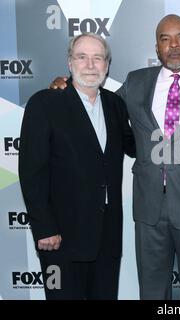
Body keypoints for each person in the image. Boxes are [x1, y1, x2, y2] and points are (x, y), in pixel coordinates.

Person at [50, 14, 180, 299]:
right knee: (152, 289)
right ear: (156, 48)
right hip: (148, 207)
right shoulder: (136, 82)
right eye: (164, 39)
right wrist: (66, 86)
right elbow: (97, 103)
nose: (173, 45)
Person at [19, 33, 135, 299]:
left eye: (98, 58)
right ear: (69, 63)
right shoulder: (44, 103)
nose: (90, 65)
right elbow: (31, 171)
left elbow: (136, 145)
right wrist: (45, 227)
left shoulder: (115, 105)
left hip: (107, 237)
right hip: (59, 239)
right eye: (82, 57)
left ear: (107, 65)